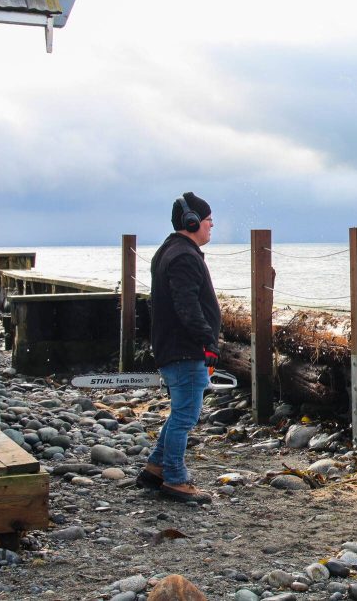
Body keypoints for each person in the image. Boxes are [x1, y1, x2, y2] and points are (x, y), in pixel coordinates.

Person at [136, 192, 220, 503]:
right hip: (185, 350)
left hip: (175, 348)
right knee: (185, 416)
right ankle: (175, 478)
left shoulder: (170, 251)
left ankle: (155, 469)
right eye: (208, 219)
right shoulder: (183, 256)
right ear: (192, 221)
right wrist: (207, 342)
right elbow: (188, 307)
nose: (212, 224)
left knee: (180, 413)